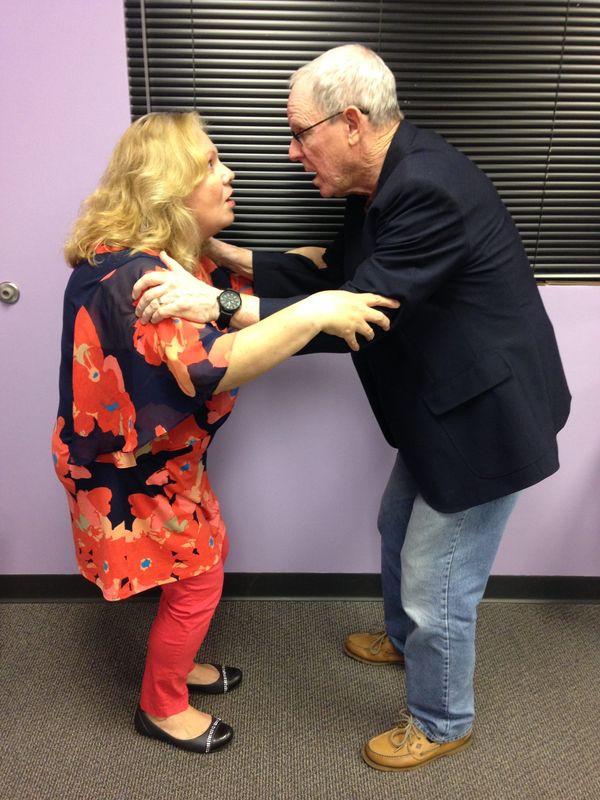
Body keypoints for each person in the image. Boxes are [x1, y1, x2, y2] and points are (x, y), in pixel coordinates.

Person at [132, 45, 571, 770]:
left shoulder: (425, 188)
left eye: (302, 134)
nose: (292, 150)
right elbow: (335, 272)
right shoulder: (387, 181)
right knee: (397, 524)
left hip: (486, 418)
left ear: (353, 123)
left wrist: (217, 302)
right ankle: (405, 644)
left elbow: (354, 310)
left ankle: (441, 719)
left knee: (439, 582)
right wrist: (226, 255)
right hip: (446, 406)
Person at [51, 110, 397, 755]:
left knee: (196, 568)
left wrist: (340, 271)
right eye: (210, 163)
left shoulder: (167, 259)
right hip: (129, 467)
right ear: (169, 189)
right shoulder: (140, 278)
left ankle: (175, 670)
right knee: (200, 575)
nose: (230, 172)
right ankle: (161, 706)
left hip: (158, 458)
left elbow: (263, 283)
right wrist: (321, 308)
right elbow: (212, 366)